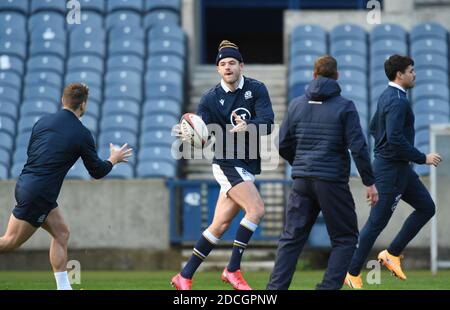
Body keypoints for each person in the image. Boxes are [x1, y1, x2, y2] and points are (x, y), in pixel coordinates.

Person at [0, 83, 132, 290]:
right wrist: (113, 159)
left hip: (26, 183)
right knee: (9, 242)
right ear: (84, 105)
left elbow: (33, 152)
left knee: (62, 232)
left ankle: (64, 288)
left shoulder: (42, 122)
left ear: (63, 100)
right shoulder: (82, 134)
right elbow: (97, 172)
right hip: (40, 193)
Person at [267, 55, 378, 290]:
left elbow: (282, 143)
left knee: (291, 239)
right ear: (337, 76)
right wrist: (369, 181)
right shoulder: (345, 106)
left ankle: (274, 291)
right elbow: (358, 147)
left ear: (314, 75)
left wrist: (300, 162)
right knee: (345, 239)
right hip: (331, 182)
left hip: (302, 181)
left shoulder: (296, 104)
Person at [171, 40, 274, 290]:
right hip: (226, 162)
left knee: (219, 225)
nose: (227, 67)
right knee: (256, 209)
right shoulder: (209, 99)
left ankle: (184, 276)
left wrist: (248, 126)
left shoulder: (256, 89)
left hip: (248, 163)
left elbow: (268, 122)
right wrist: (189, 136)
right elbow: (201, 136)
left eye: (231, 63)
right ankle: (233, 270)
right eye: (222, 64)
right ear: (217, 69)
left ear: (241, 65)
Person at [345, 55, 442, 289]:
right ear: (400, 74)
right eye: (411, 70)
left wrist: (387, 148)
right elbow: (396, 139)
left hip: (400, 169)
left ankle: (392, 254)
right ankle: (351, 272)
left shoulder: (388, 95)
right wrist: (423, 158)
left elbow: (372, 128)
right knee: (376, 222)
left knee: (427, 207)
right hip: (390, 171)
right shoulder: (398, 101)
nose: (414, 74)